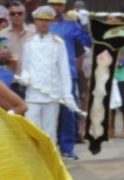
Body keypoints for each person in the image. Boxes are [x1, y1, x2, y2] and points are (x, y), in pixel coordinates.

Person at [21, 6, 74, 145]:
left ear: (51, 22)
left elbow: (64, 70)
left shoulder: (58, 43)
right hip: (33, 94)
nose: (43, 23)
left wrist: (67, 94)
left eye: (47, 20)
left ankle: (50, 163)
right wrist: (25, 76)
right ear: (35, 21)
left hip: (52, 94)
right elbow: (25, 67)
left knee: (49, 133)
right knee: (31, 131)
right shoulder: (29, 43)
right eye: (40, 20)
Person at [48, 0, 91, 159]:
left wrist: (85, 24)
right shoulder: (42, 24)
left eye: (58, 4)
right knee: (48, 112)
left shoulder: (71, 25)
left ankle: (67, 148)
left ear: (64, 7)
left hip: (68, 75)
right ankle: (49, 147)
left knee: (68, 113)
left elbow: (88, 42)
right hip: (46, 75)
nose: (55, 7)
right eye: (53, 4)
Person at [1, 1, 35, 98]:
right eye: (13, 14)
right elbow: (0, 60)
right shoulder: (2, 35)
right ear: (9, 16)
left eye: (19, 13)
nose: (16, 16)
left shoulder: (33, 34)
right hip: (11, 81)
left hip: (30, 82)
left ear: (25, 15)